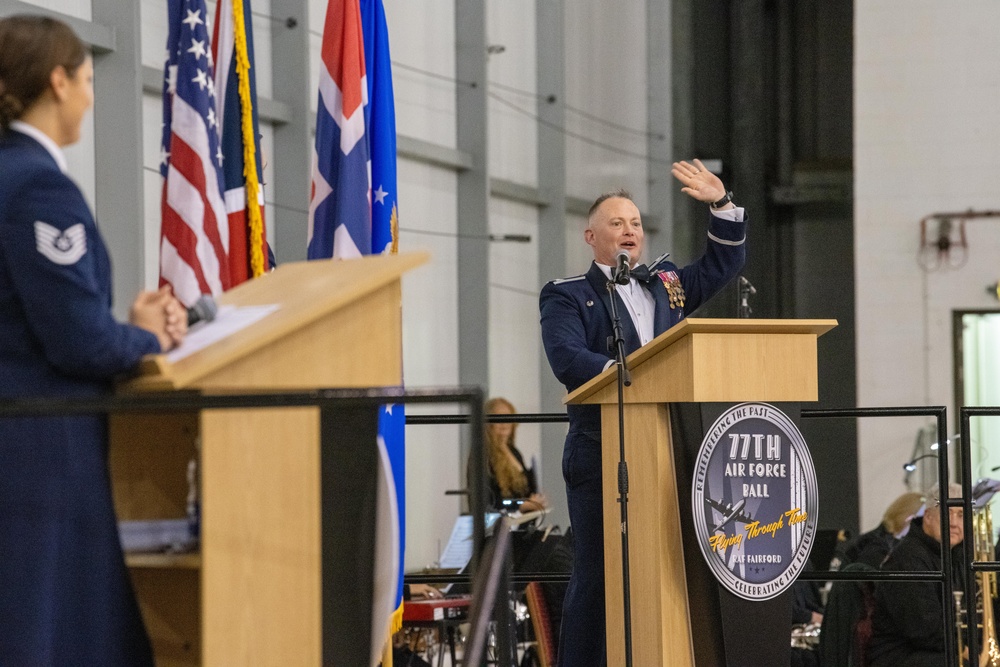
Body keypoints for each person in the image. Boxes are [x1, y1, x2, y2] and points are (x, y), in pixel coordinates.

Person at [0, 15, 186, 666]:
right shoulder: (38, 187)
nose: (92, 93)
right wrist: (141, 337)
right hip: (38, 463)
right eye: (86, 78)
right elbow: (76, 340)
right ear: (58, 81)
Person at [539, 161, 747, 667]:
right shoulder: (568, 294)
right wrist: (633, 373)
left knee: (670, 566)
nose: (629, 230)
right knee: (600, 571)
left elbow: (722, 268)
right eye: (617, 223)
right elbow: (567, 358)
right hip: (602, 448)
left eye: (635, 223)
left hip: (669, 446)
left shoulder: (666, 284)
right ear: (591, 236)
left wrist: (721, 206)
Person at [868, 483, 967, 667]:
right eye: (947, 513)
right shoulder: (907, 559)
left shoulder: (958, 557)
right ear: (928, 517)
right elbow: (923, 631)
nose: (954, 522)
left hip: (933, 651)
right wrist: (966, 649)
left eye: (960, 515)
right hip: (901, 656)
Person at [470, 397, 548, 513]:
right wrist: (520, 506)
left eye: (508, 417)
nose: (504, 423)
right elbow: (487, 502)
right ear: (488, 424)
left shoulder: (514, 452)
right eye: (499, 418)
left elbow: (525, 492)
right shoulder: (482, 456)